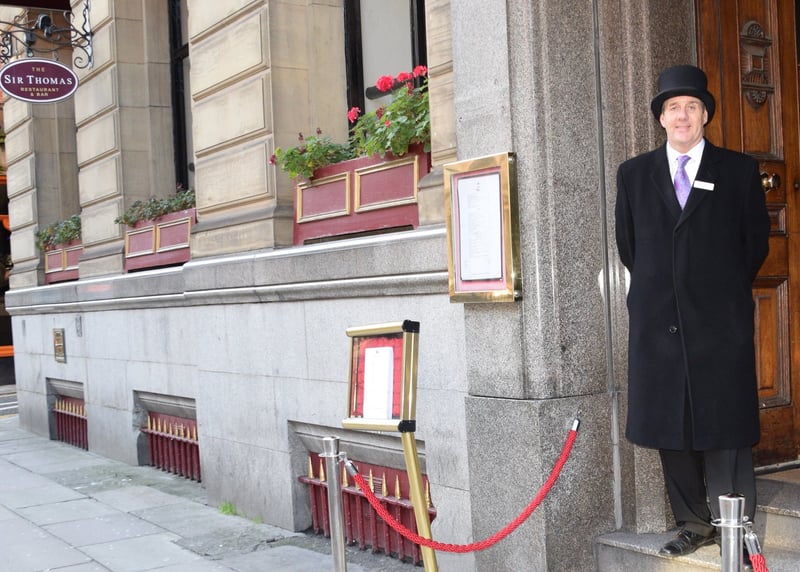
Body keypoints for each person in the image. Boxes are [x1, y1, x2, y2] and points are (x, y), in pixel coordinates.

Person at [614, 64, 770, 566]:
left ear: (705, 116)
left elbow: (754, 244)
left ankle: (733, 527)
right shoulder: (633, 174)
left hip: (719, 322)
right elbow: (629, 247)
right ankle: (693, 523)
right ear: (661, 118)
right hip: (658, 322)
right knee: (670, 424)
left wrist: (715, 289)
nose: (682, 116)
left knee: (724, 424)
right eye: (673, 108)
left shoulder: (738, 171)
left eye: (692, 107)